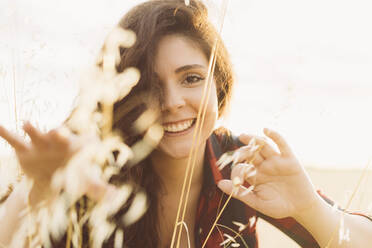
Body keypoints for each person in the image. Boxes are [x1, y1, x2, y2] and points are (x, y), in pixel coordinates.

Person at [0, 0, 371, 247]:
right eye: (149, 85)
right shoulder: (91, 167)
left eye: (191, 78)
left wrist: (309, 207)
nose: (173, 102)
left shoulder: (240, 165)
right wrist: (34, 192)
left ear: (219, 86)